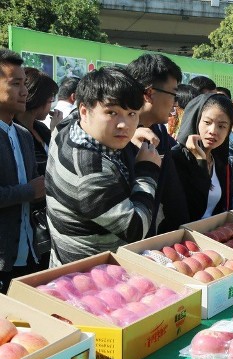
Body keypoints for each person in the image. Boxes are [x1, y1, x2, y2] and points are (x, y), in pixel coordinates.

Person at [45, 67, 161, 266]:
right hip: (88, 279)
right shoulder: (89, 171)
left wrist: (125, 134)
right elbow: (135, 229)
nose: (124, 124)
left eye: (132, 114)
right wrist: (147, 170)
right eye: (112, 113)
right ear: (84, 111)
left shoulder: (68, 127)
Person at [124, 54, 189, 235]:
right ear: (149, 93)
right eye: (174, 94)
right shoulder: (111, 137)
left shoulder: (159, 132)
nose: (175, 103)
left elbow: (173, 197)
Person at [0, 49, 43, 293]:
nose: (25, 92)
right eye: (16, 84)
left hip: (28, 253)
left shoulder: (23, 134)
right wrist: (30, 190)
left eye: (24, 84)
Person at [14, 68, 59, 269]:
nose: (52, 105)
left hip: (47, 220)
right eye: (50, 99)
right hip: (24, 224)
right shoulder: (12, 133)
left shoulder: (41, 129)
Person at [173, 94, 233, 220]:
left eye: (222, 126)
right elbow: (195, 209)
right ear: (196, 120)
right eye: (207, 122)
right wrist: (200, 162)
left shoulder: (219, 162)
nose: (213, 131)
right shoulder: (176, 158)